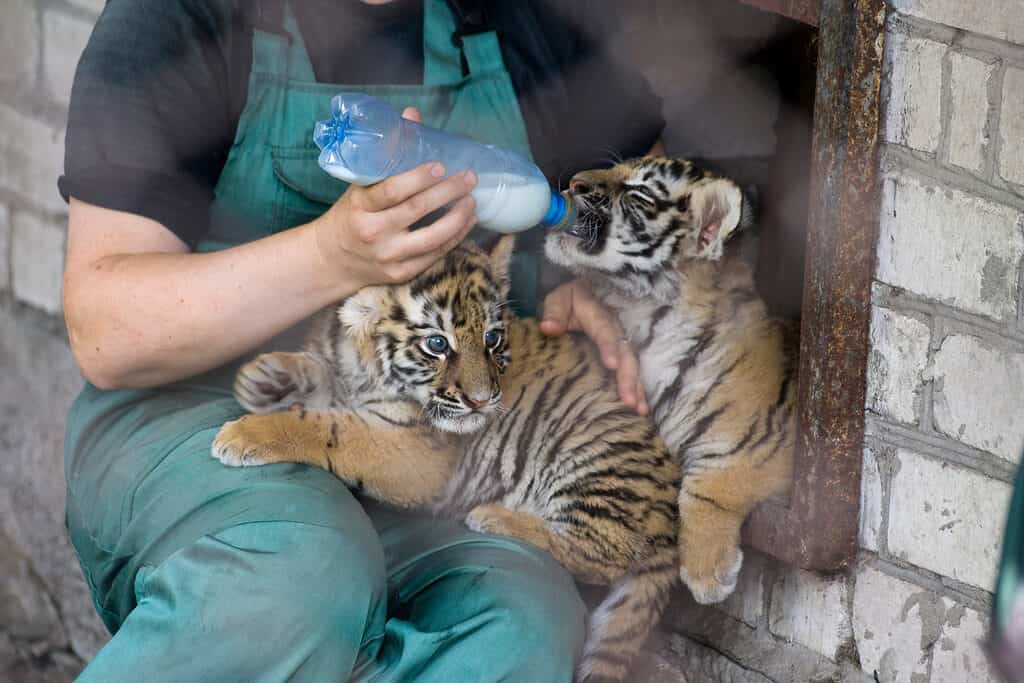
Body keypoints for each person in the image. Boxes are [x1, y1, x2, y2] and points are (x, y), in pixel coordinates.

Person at [59, 0, 665, 680]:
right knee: (301, 572)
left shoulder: (526, 15)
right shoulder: (182, 16)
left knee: (523, 623)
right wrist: (331, 257)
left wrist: (582, 276)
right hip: (191, 420)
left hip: (438, 452)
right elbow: (104, 327)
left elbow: (647, 198)